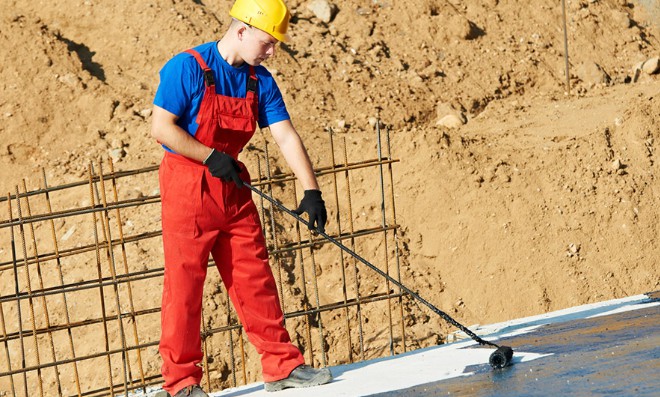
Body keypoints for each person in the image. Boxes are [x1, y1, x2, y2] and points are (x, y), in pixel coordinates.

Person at [150, 0, 332, 395]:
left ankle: (282, 366)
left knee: (254, 276)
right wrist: (209, 155)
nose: (271, 52)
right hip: (188, 188)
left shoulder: (259, 81)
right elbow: (162, 128)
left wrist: (311, 189)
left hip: (231, 186)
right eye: (268, 42)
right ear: (242, 30)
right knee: (184, 287)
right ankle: (180, 383)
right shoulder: (189, 67)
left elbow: (285, 135)